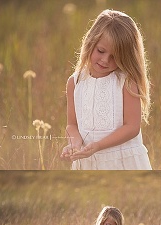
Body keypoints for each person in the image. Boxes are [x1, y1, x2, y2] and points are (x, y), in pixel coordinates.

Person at [60, 9, 152, 170]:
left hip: (123, 163)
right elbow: (72, 125)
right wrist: (75, 144)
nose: (105, 60)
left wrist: (98, 146)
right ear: (90, 43)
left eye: (115, 57)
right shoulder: (74, 83)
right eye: (101, 51)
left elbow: (132, 127)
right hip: (88, 163)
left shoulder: (126, 82)